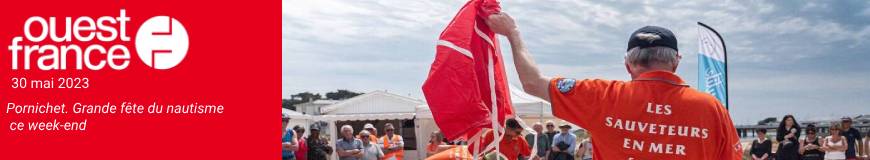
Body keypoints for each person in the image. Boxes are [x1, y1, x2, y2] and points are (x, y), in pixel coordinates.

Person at [485, 11, 742, 159]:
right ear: (676, 62)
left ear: (628, 64)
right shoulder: (712, 109)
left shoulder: (604, 95)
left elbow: (532, 83)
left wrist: (513, 33)